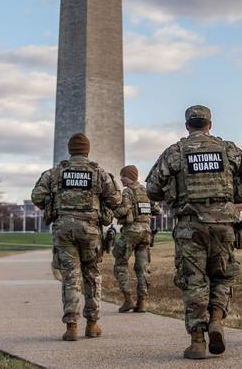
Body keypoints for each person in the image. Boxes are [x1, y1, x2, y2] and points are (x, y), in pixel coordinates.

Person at [145, 105, 242, 359]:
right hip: (223, 225)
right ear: (210, 124)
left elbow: (152, 188)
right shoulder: (228, 149)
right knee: (222, 275)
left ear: (187, 126)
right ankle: (217, 318)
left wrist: (173, 193)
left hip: (190, 225)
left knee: (193, 280)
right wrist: (232, 193)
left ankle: (197, 340)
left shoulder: (175, 152)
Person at [31, 133, 121, 341]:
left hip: (63, 228)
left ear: (70, 150)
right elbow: (115, 199)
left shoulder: (54, 173)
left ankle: (71, 325)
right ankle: (92, 324)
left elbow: (37, 196)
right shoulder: (99, 172)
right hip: (90, 229)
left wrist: (52, 202)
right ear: (87, 150)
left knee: (70, 277)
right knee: (92, 275)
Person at [112, 165, 159, 313]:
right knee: (142, 268)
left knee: (120, 263)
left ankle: (128, 299)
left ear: (130, 176)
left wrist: (114, 210)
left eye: (123, 176)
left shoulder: (128, 191)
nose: (121, 178)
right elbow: (156, 209)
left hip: (131, 231)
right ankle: (142, 302)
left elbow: (124, 210)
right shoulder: (146, 191)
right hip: (146, 231)